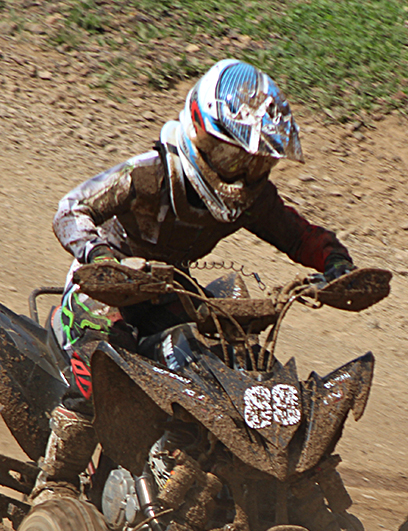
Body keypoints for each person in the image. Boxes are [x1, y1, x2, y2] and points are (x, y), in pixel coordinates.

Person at [34, 58, 356, 504]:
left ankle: (273, 481)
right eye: (231, 157)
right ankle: (56, 483)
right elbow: (71, 209)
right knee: (102, 362)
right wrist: (102, 257)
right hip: (102, 287)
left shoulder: (253, 199)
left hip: (172, 291)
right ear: (199, 133)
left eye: (256, 164)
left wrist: (337, 264)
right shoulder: (148, 174)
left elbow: (299, 235)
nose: (241, 175)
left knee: (244, 358)